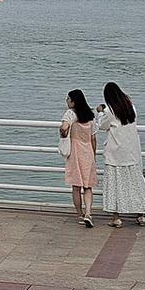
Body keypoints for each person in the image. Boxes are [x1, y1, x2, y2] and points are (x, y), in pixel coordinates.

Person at [96, 81, 145, 227]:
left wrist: (100, 112)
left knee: (115, 185)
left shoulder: (110, 111)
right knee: (135, 183)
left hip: (115, 153)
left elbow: (102, 126)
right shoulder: (131, 108)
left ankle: (116, 218)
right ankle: (141, 214)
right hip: (131, 151)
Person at [60, 88, 96, 227]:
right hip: (88, 152)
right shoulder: (90, 116)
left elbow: (64, 127)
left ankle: (80, 215)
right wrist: (93, 155)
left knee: (76, 187)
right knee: (88, 186)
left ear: (73, 102)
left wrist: (63, 131)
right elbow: (93, 139)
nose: (67, 101)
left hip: (75, 152)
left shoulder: (70, 114)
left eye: (68, 99)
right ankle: (88, 213)